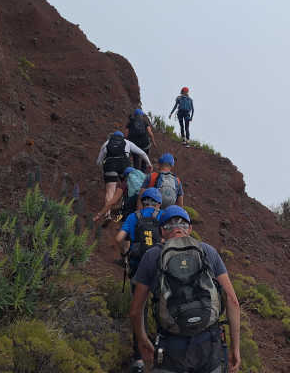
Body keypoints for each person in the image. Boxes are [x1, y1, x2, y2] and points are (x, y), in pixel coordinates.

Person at [130, 206, 241, 373]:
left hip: (171, 347)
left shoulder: (152, 256)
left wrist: (142, 339)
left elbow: (136, 310)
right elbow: (233, 301)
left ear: (162, 232)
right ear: (189, 228)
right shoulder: (208, 252)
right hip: (209, 346)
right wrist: (235, 347)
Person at [114, 188, 164, 373]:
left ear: (143, 202)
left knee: (138, 312)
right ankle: (161, 351)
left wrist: (125, 255)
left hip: (138, 271)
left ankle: (139, 359)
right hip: (160, 271)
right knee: (161, 310)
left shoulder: (133, 217)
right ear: (158, 203)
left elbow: (119, 238)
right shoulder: (164, 215)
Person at [96, 131, 152, 220]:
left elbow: (98, 161)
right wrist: (149, 163)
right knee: (126, 188)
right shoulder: (127, 142)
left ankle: (108, 214)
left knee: (110, 191)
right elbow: (142, 153)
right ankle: (124, 208)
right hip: (124, 165)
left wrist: (103, 168)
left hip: (110, 165)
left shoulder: (106, 143)